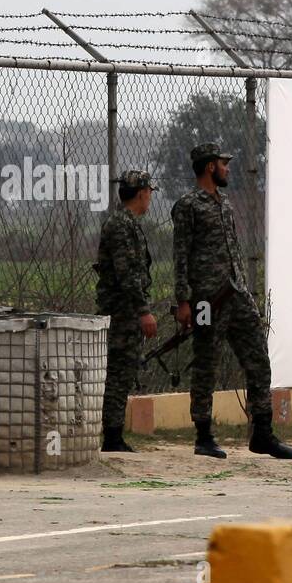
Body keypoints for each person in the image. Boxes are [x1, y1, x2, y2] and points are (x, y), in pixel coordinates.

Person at [172, 143, 292, 460]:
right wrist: (183, 300)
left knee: (258, 358)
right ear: (210, 167)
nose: (228, 168)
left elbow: (234, 252)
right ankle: (203, 435)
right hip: (205, 300)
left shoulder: (225, 203)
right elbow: (180, 256)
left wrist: (246, 292)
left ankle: (263, 433)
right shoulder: (188, 206)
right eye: (223, 164)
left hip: (236, 295)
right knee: (205, 365)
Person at [94, 170, 158, 453]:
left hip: (126, 310)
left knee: (123, 370)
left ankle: (114, 434)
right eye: (149, 193)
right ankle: (112, 436)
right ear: (142, 193)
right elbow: (127, 273)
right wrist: (143, 311)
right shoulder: (121, 225)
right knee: (119, 371)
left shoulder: (127, 223)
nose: (150, 198)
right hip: (122, 312)